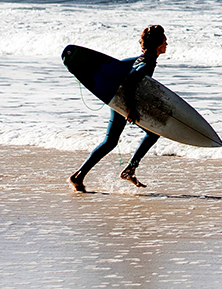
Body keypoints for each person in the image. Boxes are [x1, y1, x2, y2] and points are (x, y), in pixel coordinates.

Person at [70, 24, 167, 192]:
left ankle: (79, 176)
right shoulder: (148, 63)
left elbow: (120, 67)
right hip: (124, 102)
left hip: (117, 100)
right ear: (158, 45)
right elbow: (129, 84)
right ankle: (130, 169)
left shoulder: (141, 58)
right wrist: (130, 109)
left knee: (110, 141)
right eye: (165, 41)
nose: (167, 44)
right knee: (153, 133)